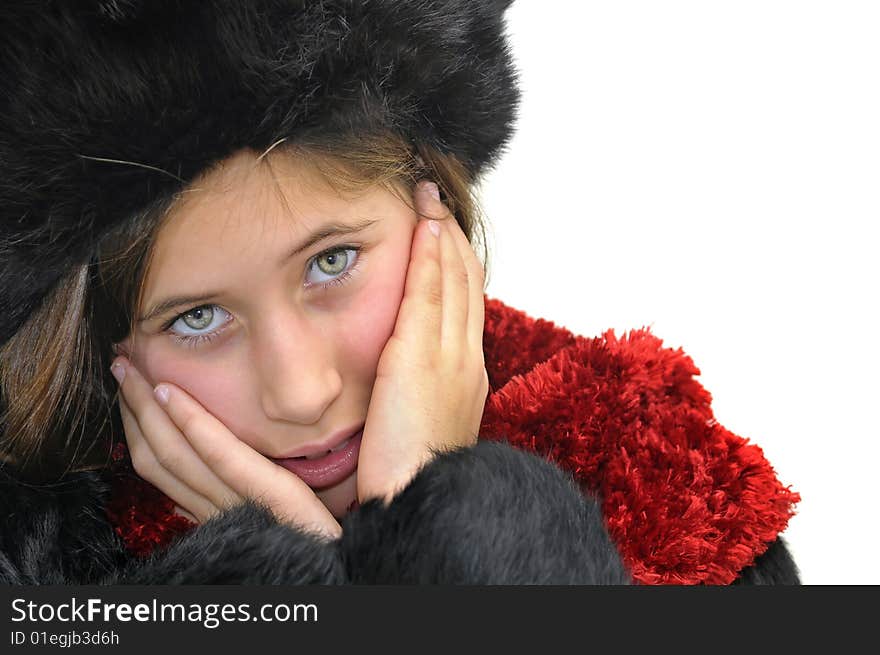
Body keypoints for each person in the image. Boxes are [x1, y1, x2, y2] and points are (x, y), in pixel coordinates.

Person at [0, 0, 798, 585]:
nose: (302, 392)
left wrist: (432, 514)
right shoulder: (41, 573)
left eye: (332, 261)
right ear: (101, 345)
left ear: (437, 209)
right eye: (198, 317)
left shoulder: (670, 484)